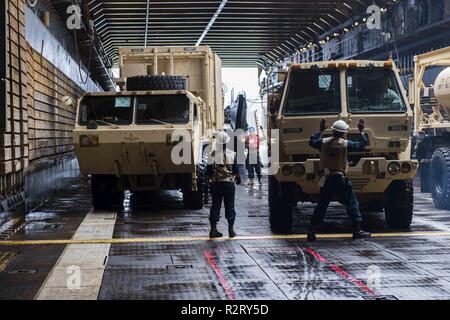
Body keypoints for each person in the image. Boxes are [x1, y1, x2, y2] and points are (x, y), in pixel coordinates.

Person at [307, 119, 371, 241]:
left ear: (333, 131)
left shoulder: (323, 142)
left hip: (327, 178)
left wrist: (320, 131)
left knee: (322, 205)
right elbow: (362, 144)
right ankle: (357, 230)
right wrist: (361, 131)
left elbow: (311, 142)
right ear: (343, 133)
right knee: (352, 203)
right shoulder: (346, 144)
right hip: (340, 178)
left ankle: (311, 231)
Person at [206, 131, 241, 238]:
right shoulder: (232, 154)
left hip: (216, 184)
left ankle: (213, 230)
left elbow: (208, 172)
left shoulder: (212, 155)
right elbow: (236, 170)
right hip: (229, 184)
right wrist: (238, 179)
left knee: (215, 206)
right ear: (226, 143)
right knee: (230, 206)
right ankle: (231, 230)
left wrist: (206, 183)